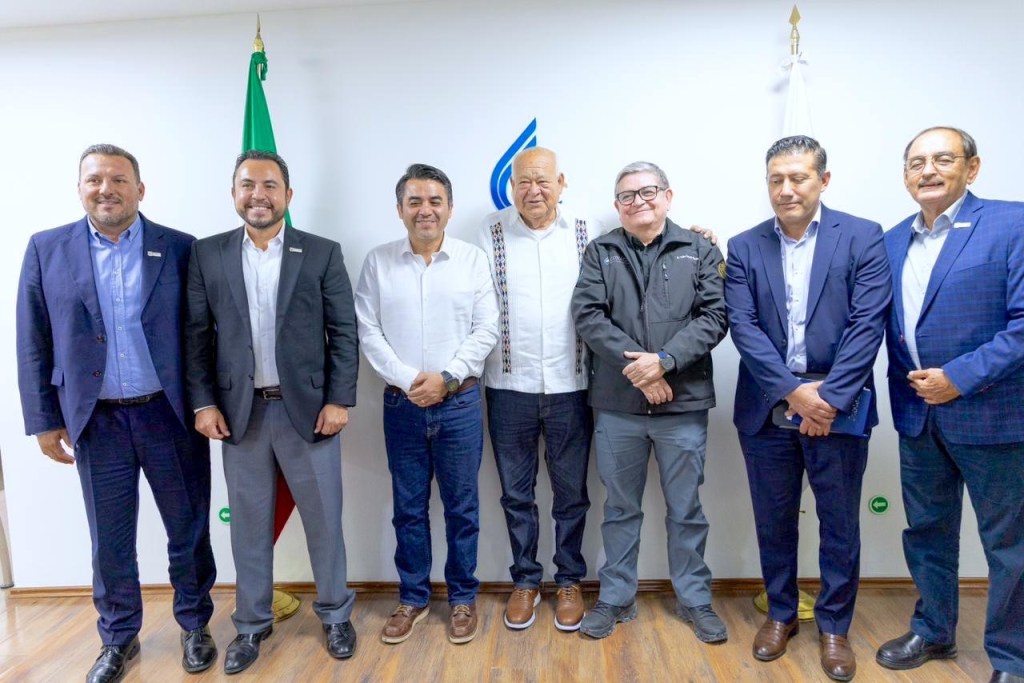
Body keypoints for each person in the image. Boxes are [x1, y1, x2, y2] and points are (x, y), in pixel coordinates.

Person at [16, 144, 217, 683]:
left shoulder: (180, 248)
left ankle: (195, 625)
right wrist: (43, 419)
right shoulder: (46, 249)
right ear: (80, 188)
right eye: (95, 179)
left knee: (188, 528)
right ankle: (118, 637)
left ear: (139, 189)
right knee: (110, 539)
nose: (106, 189)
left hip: (169, 416)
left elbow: (201, 335)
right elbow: (33, 338)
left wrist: (206, 402)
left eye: (119, 180)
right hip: (96, 420)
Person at [725, 135, 891, 681]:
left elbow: (868, 324)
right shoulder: (744, 246)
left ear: (823, 179)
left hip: (840, 405)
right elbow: (744, 328)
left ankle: (835, 626)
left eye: (798, 177)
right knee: (774, 521)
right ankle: (780, 614)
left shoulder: (862, 236)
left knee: (839, 523)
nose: (786, 189)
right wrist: (793, 393)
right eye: (776, 179)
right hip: (767, 407)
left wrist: (828, 399)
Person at [185, 150, 358, 674]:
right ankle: (251, 624)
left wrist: (339, 399)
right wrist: (203, 402)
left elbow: (343, 332)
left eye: (269, 185)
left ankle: (335, 614)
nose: (257, 195)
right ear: (234, 193)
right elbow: (196, 336)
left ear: (288, 194)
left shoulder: (321, 252)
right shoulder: (208, 254)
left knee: (324, 521)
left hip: (309, 413)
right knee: (249, 527)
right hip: (240, 416)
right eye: (247, 185)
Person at [875, 126, 1024, 683]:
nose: (928, 170)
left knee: (1008, 545)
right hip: (918, 414)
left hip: (992, 415)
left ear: (972, 168)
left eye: (943, 159)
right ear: (905, 175)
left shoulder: (1011, 223)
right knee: (927, 531)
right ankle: (934, 630)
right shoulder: (891, 240)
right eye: (916, 162)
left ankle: (1012, 658)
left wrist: (958, 378)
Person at [571, 161, 728, 643]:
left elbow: (715, 316)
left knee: (686, 509)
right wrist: (641, 371)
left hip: (683, 404)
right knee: (620, 509)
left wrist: (665, 361)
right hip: (618, 406)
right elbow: (588, 315)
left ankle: (695, 599)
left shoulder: (699, 249)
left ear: (668, 196)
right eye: (627, 196)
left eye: (648, 192)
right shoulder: (601, 252)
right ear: (617, 206)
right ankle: (616, 597)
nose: (638, 201)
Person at [355, 163, 498, 645]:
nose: (425, 210)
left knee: (462, 508)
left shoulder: (473, 260)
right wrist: (410, 380)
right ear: (400, 210)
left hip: (459, 403)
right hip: (402, 406)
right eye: (414, 201)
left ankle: (462, 598)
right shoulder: (378, 262)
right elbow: (368, 331)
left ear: (450, 208)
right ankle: (413, 597)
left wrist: (447, 378)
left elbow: (486, 328)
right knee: (408, 508)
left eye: (435, 201)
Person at [477, 147, 600, 632]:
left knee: (571, 494)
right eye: (524, 182)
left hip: (573, 387)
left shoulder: (588, 231)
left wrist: (700, 236)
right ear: (511, 187)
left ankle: (568, 579)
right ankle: (526, 580)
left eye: (543, 181)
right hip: (509, 387)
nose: (533, 190)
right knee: (516, 494)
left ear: (561, 183)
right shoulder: (489, 233)